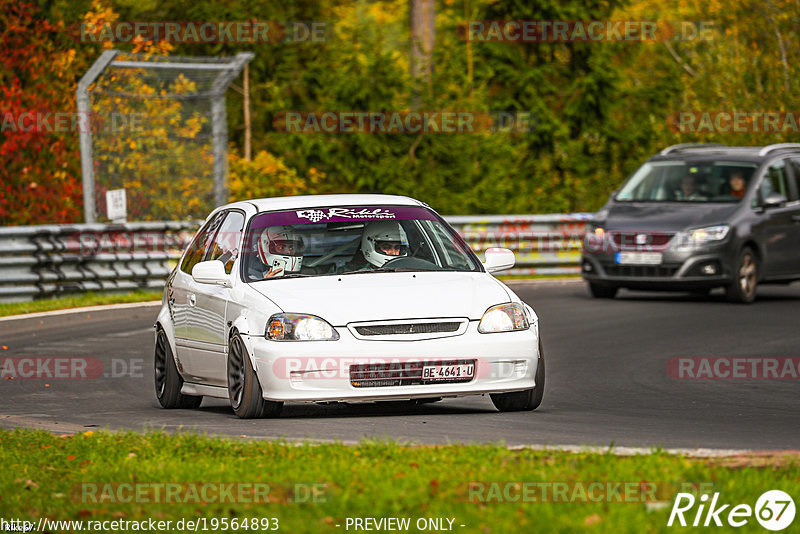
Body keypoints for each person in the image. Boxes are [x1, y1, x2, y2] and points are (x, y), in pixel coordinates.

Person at [341, 220, 409, 272]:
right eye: (386, 247)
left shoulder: (412, 270)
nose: (393, 253)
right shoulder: (356, 277)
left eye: (397, 247)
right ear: (369, 246)